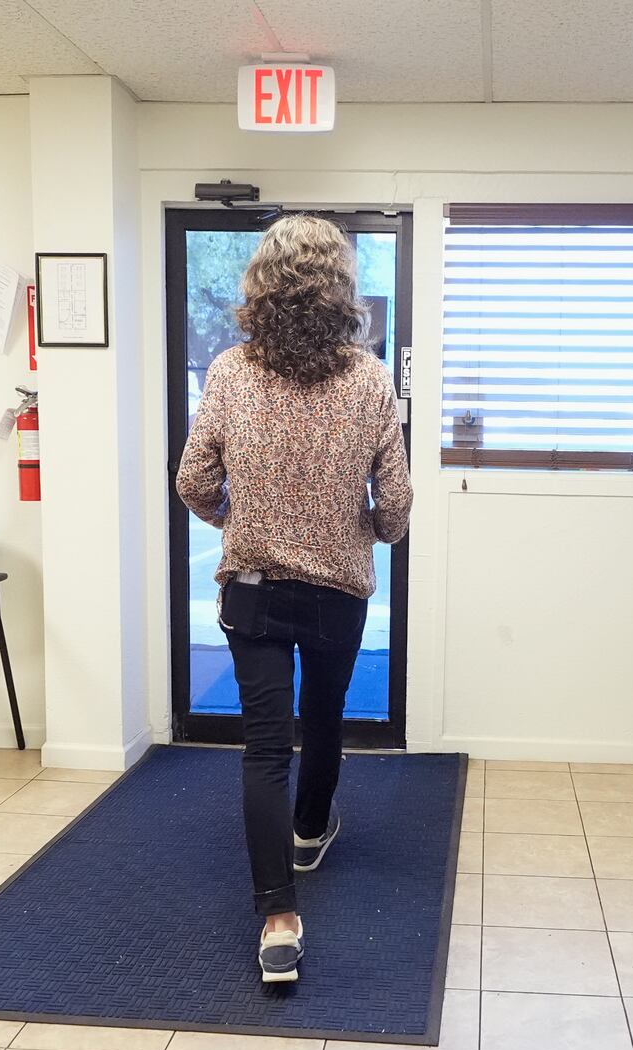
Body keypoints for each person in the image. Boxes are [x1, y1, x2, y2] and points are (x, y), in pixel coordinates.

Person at [175, 214, 413, 984]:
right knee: (323, 718)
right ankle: (311, 829)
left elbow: (192, 483)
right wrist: (369, 527)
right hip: (338, 592)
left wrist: (232, 518)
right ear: (339, 287)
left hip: (252, 589)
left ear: (261, 287)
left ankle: (278, 917)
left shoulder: (231, 372)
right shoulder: (371, 378)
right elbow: (399, 504)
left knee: (265, 744)